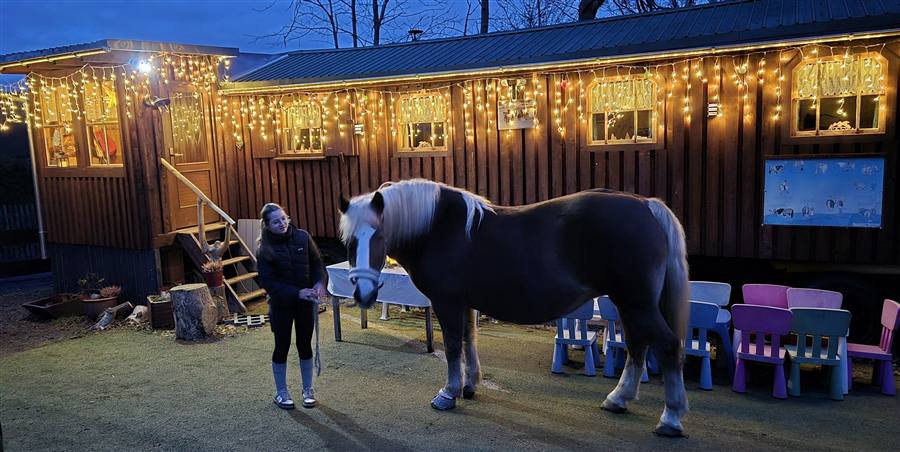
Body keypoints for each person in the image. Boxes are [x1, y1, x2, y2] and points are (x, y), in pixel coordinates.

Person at [256, 203, 327, 410]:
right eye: (276, 221)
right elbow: (268, 283)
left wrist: (319, 283)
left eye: (284, 218)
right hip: (281, 306)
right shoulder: (264, 249)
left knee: (304, 345)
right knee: (282, 346)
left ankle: (307, 390)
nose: (282, 224)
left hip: (305, 305)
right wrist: (297, 292)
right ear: (267, 225)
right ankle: (281, 393)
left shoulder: (303, 237)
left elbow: (317, 264)